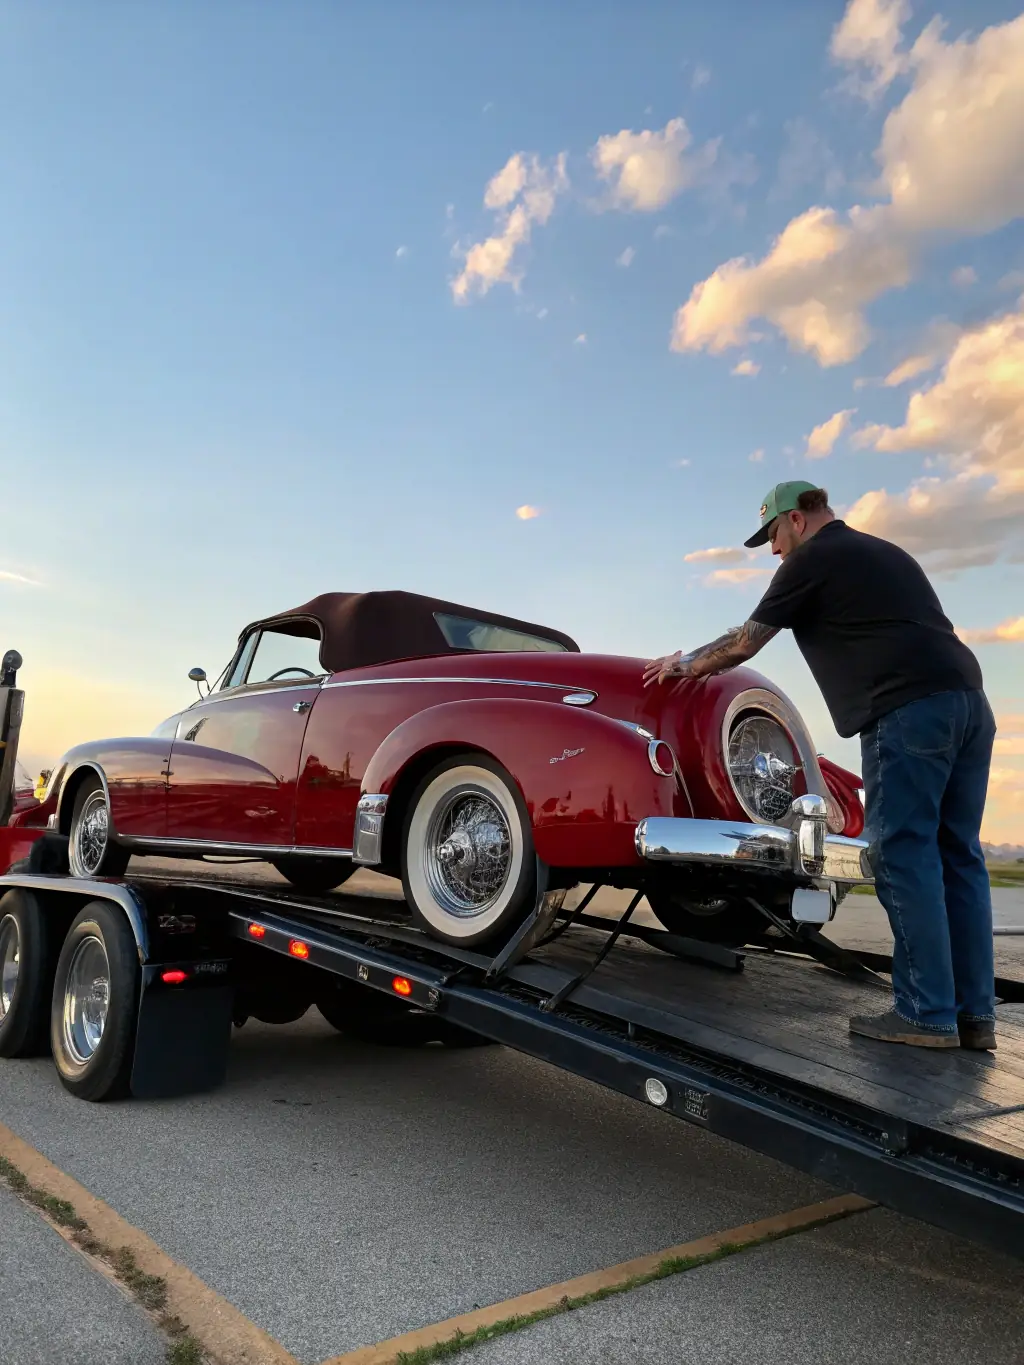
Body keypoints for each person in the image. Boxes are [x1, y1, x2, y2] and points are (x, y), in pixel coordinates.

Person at [644, 480, 997, 1051]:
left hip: (907, 710)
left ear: (798, 521)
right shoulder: (885, 552)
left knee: (904, 855)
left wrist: (683, 664)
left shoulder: (817, 556)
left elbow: (743, 642)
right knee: (959, 856)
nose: (775, 551)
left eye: (775, 537)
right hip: (968, 704)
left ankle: (926, 1014)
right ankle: (975, 1018)